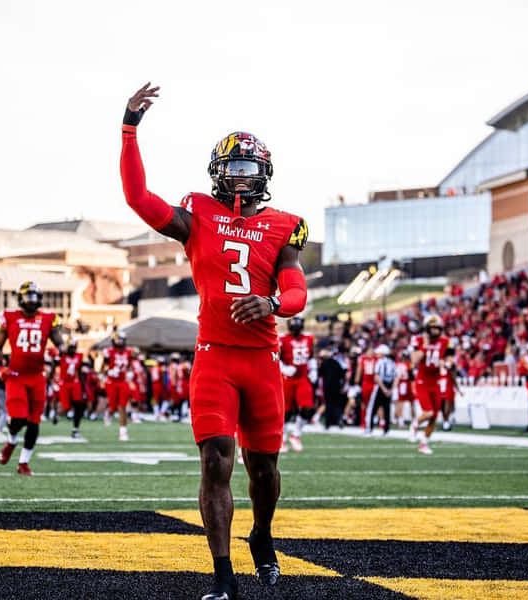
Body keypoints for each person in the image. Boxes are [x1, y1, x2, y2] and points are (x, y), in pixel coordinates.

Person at [120, 82, 308, 600]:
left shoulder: (288, 225)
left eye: (250, 168)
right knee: (215, 460)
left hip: (262, 358)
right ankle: (223, 577)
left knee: (264, 467)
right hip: (214, 357)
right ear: (217, 170)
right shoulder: (197, 213)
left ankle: (262, 533)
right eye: (234, 167)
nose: (240, 177)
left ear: (264, 173)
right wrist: (130, 126)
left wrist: (272, 304)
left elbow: (294, 287)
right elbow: (137, 198)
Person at [0, 281, 64, 475]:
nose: (31, 300)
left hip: (37, 377)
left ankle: (23, 462)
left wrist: (57, 350)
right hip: (16, 376)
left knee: (34, 422)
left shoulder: (48, 319)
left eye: (35, 296)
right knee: (18, 418)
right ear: (20, 298)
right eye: (28, 296)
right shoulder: (9, 317)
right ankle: (11, 440)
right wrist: (0, 367)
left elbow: (61, 343)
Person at [410, 315, 452, 455]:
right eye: (432, 328)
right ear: (427, 329)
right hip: (422, 381)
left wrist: (446, 363)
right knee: (428, 412)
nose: (435, 331)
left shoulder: (445, 341)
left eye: (437, 328)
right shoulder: (419, 340)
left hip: (436, 382)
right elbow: (414, 360)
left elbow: (449, 358)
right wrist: (425, 346)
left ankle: (423, 444)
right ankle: (415, 424)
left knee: (434, 417)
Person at [279, 316, 316, 452]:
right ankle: (282, 439)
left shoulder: (308, 338)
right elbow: (276, 357)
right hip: (288, 378)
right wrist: (284, 368)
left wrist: (314, 370)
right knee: (286, 411)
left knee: (307, 407)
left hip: (303, 377)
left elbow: (311, 356)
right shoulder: (282, 339)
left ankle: (296, 435)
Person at [102, 333, 133, 440]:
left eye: (122, 340)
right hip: (111, 382)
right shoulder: (108, 352)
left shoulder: (128, 352)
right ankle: (108, 412)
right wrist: (108, 372)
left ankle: (123, 432)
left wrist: (129, 373)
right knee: (113, 407)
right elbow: (103, 367)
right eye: (119, 340)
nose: (120, 343)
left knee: (122, 406)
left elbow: (129, 366)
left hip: (123, 381)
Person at [58, 340, 87, 439]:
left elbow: (80, 371)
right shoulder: (62, 355)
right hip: (64, 383)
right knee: (65, 408)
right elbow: (54, 364)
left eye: (74, 347)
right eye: (70, 347)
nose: (72, 349)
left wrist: (83, 387)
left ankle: (75, 429)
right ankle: (55, 414)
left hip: (75, 383)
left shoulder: (79, 356)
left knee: (79, 406)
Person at [367, 345, 395, 435]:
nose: (377, 354)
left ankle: (369, 428)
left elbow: (377, 377)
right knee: (387, 409)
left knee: (372, 409)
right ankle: (386, 430)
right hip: (389, 386)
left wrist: (383, 389)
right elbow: (396, 377)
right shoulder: (392, 362)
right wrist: (391, 389)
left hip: (380, 387)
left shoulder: (379, 362)